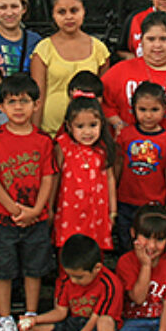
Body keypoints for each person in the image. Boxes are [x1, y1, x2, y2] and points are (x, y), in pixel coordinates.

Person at [0, 74, 57, 331]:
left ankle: (30, 316)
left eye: (24, 101)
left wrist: (37, 209)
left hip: (36, 219)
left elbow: (48, 177)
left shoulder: (43, 140)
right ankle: (5, 320)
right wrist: (15, 209)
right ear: (1, 106)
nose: (18, 107)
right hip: (3, 218)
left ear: (36, 105)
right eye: (11, 102)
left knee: (33, 269)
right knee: (3, 271)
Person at [103, 10, 166, 134]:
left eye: (163, 39)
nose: (157, 45)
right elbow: (101, 102)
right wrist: (117, 123)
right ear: (141, 42)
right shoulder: (119, 72)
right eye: (151, 39)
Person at [30, 0, 110, 136]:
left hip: (88, 134)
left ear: (83, 11)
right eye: (61, 12)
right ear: (53, 15)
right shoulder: (43, 50)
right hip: (51, 132)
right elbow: (38, 97)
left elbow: (103, 98)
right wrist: (36, 135)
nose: (68, 17)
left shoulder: (99, 50)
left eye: (74, 10)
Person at [114, 83, 166, 253]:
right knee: (126, 243)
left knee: (151, 245)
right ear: (133, 108)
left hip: (154, 204)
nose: (148, 116)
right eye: (142, 109)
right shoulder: (125, 135)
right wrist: (112, 191)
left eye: (154, 110)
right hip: (125, 201)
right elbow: (118, 164)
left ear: (164, 109)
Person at [53, 96, 117, 251]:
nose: (87, 132)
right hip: (69, 212)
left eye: (93, 125)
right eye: (80, 126)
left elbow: (110, 179)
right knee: (68, 249)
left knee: (94, 250)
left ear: (102, 124)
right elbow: (55, 177)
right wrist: (49, 207)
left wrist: (113, 211)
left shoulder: (103, 148)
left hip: (96, 212)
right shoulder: (63, 145)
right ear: (69, 126)